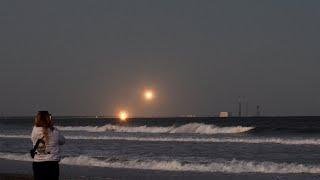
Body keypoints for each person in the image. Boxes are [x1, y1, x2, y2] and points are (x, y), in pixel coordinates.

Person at [31, 111, 65, 180]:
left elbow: (33, 139)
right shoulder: (55, 131)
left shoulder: (34, 130)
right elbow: (63, 141)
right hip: (52, 164)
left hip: (38, 164)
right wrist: (51, 125)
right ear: (49, 119)